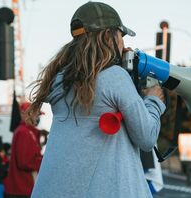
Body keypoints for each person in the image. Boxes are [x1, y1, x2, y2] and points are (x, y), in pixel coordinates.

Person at [28, 2, 166, 198]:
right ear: (108, 36)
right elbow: (146, 138)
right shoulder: (114, 77)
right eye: (120, 35)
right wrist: (153, 101)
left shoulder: (58, 81)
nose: (123, 43)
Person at [4, 102, 43, 198]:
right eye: (37, 114)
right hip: (22, 189)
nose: (38, 118)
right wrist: (45, 161)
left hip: (22, 188)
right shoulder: (24, 132)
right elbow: (25, 162)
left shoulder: (26, 131)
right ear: (28, 114)